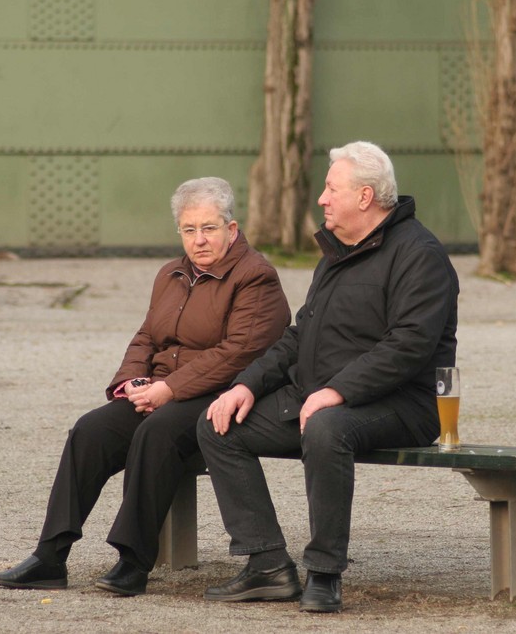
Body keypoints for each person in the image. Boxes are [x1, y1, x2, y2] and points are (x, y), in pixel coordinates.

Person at [0, 177, 290, 596]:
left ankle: (133, 562)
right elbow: (146, 336)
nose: (199, 240)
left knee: (157, 432)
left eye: (209, 228)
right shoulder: (171, 273)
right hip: (161, 391)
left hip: (222, 396)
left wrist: (170, 390)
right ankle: (49, 556)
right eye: (189, 230)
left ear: (232, 229)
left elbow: (238, 353)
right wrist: (132, 382)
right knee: (90, 430)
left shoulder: (255, 277)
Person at [197, 141, 460, 613]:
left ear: (364, 196)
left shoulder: (420, 255)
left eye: (330, 188)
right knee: (217, 424)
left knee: (325, 428)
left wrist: (338, 391)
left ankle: (324, 571)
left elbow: (409, 345)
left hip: (403, 405)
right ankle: (268, 565)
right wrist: (245, 384)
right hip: (322, 395)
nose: (321, 198)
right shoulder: (336, 253)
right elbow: (299, 336)